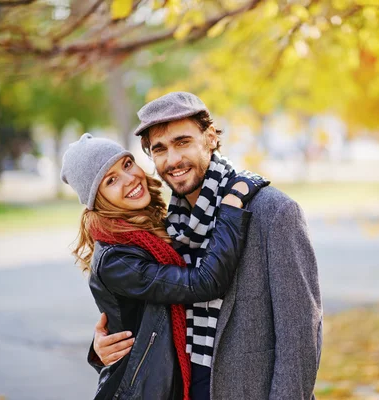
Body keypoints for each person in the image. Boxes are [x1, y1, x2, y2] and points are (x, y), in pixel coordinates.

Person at [91, 92, 323, 399]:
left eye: (182, 142)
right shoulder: (165, 225)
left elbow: (300, 338)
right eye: (159, 149)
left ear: (210, 137)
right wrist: (102, 345)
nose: (172, 160)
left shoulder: (272, 212)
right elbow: (152, 306)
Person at [61, 133, 268, 400]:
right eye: (110, 180)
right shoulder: (117, 259)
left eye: (126, 164)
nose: (129, 179)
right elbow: (204, 282)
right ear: (97, 200)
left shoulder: (152, 223)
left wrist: (99, 347)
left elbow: (139, 320)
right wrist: (232, 203)